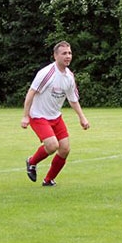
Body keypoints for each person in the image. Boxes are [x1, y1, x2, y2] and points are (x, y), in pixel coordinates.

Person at [22, 41, 90, 187]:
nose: (68, 56)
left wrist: (82, 117)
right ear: (55, 55)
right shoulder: (47, 73)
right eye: (64, 53)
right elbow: (31, 92)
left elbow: (73, 99)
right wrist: (25, 116)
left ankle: (48, 180)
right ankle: (31, 162)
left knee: (65, 149)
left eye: (69, 53)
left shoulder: (69, 76)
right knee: (52, 145)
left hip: (55, 117)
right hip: (38, 115)